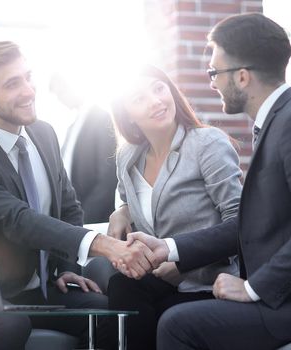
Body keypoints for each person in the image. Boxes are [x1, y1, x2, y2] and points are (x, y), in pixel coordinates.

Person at [126, 13, 291, 350]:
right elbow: (253, 226)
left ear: (241, 77)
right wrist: (169, 248)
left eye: (214, 73)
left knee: (178, 325)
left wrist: (254, 288)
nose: (211, 82)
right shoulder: (280, 122)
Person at [0, 41, 147, 349]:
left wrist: (66, 268)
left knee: (110, 313)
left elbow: (69, 209)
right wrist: (105, 246)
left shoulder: (43, 133)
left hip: (38, 290)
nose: (28, 90)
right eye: (13, 83)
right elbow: (19, 221)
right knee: (12, 327)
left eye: (28, 77)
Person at [106, 64, 242, 349]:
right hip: (159, 280)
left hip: (206, 280)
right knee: (121, 286)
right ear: (127, 115)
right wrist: (122, 211)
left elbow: (240, 223)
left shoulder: (206, 144)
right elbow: (145, 201)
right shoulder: (127, 158)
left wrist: (180, 261)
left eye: (158, 88)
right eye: (139, 98)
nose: (155, 100)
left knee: (168, 313)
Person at [49, 73, 117, 224]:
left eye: (62, 91)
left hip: (95, 221)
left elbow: (108, 178)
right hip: (73, 220)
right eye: (57, 94)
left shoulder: (102, 118)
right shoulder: (71, 128)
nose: (61, 98)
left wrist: (83, 220)